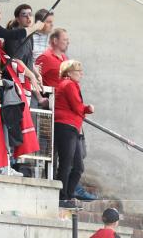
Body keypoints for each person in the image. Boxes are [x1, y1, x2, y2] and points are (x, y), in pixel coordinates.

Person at [55, 60, 94, 208]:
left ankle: (69, 195)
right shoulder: (69, 84)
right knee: (66, 164)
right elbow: (77, 107)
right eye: (78, 71)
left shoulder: (69, 84)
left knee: (78, 166)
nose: (81, 74)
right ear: (69, 73)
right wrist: (88, 108)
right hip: (66, 126)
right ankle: (62, 197)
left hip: (72, 128)